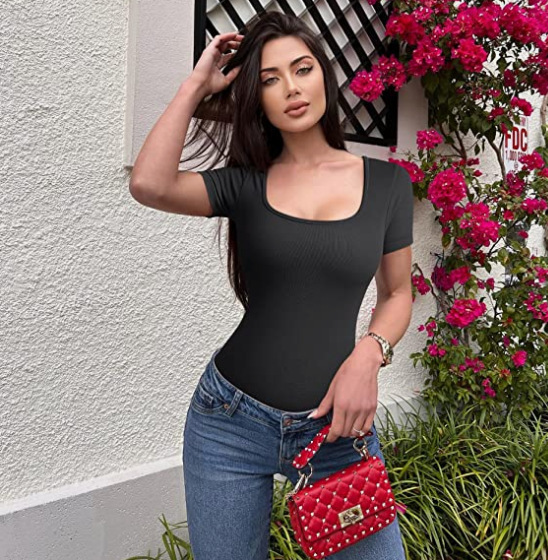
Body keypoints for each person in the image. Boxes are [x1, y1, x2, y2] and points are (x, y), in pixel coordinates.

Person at [129, 11, 413, 560]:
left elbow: (398, 294)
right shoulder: (245, 184)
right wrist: (196, 85)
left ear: (324, 75)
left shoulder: (387, 184)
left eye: (302, 69)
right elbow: (149, 183)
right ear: (257, 99)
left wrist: (368, 355)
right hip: (230, 422)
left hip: (337, 431)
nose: (291, 88)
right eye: (270, 79)